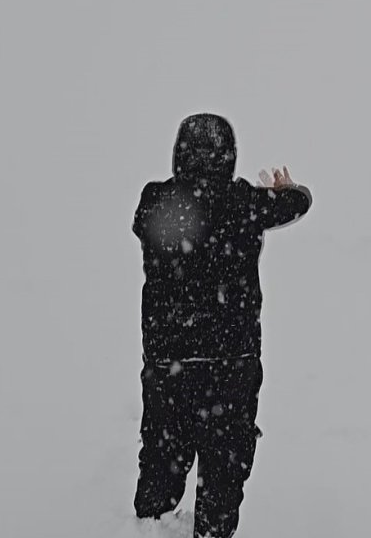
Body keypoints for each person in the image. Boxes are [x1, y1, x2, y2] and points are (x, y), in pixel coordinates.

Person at [131, 113, 312, 538]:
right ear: (229, 155)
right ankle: (209, 528)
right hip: (231, 362)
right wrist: (288, 191)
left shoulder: (155, 200)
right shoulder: (245, 202)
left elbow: (143, 223)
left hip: (168, 363)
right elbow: (299, 203)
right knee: (224, 466)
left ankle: (148, 523)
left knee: (162, 454)